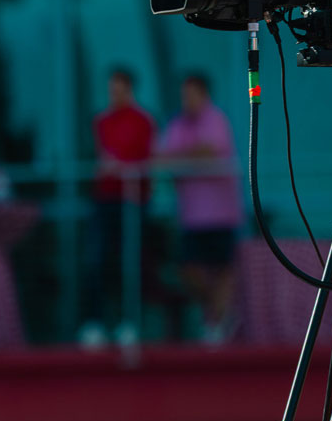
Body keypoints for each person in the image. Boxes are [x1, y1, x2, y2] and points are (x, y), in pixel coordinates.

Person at [159, 73, 242, 342]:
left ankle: (217, 324)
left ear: (204, 94)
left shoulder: (215, 119)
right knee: (190, 271)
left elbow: (208, 152)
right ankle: (218, 314)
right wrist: (189, 156)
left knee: (222, 269)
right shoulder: (178, 124)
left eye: (191, 94)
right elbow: (161, 158)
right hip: (191, 216)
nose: (187, 101)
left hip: (221, 212)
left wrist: (182, 158)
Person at [84, 67, 156, 347]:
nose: (114, 95)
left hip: (133, 202)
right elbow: (106, 158)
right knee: (97, 260)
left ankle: (131, 324)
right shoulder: (102, 121)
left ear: (130, 90)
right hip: (105, 199)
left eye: (119, 90)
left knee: (132, 261)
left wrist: (120, 166)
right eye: (111, 90)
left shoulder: (143, 121)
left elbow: (139, 158)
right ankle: (96, 324)